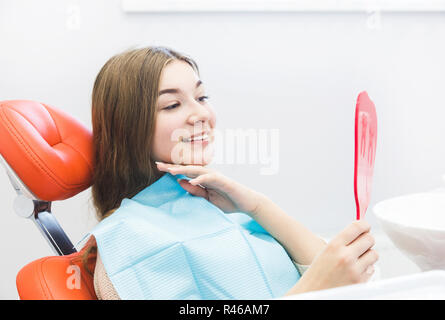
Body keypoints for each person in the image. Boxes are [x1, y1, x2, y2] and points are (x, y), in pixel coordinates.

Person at [84, 46, 378, 300]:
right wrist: (313, 290)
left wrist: (257, 206)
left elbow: (343, 280)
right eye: (172, 104)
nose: (201, 114)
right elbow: (323, 284)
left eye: (201, 97)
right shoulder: (125, 243)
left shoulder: (221, 204)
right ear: (128, 128)